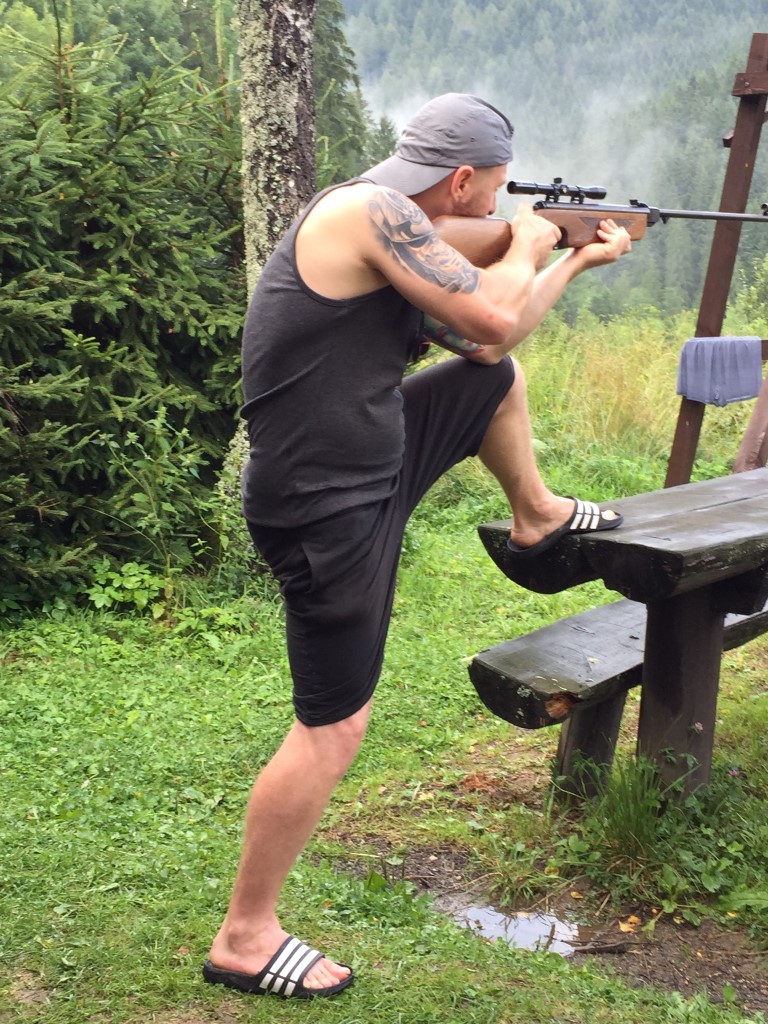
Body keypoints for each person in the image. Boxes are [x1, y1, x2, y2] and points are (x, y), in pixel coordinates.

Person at [203, 92, 631, 1000]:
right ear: (464, 179)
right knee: (333, 725)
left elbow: (488, 343)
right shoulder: (371, 212)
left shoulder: (398, 230)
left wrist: (571, 258)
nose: (496, 208)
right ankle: (244, 936)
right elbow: (493, 312)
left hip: (373, 461)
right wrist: (529, 242)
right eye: (494, 193)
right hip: (324, 503)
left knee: (493, 381)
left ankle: (538, 516)